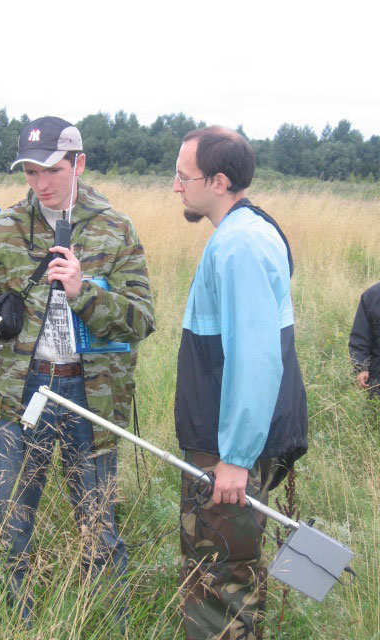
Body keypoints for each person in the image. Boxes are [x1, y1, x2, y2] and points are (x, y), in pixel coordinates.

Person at [0, 116, 155, 626]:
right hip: (18, 393)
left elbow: (141, 320)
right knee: (10, 521)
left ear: (79, 163)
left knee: (98, 524)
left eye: (53, 170)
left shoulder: (116, 227)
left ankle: (110, 623)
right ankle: (15, 623)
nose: (41, 183)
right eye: (30, 172)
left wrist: (83, 292)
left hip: (91, 395)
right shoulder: (3, 227)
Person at [172, 127, 308, 640]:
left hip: (228, 449)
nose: (177, 187)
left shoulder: (239, 245)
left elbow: (255, 357)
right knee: (230, 570)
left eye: (184, 177)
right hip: (230, 442)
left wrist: (235, 457)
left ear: (220, 180)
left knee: (220, 583)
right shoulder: (245, 231)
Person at [349, 282, 380, 397]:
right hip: (377, 377)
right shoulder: (371, 296)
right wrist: (361, 368)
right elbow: (360, 336)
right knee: (375, 413)